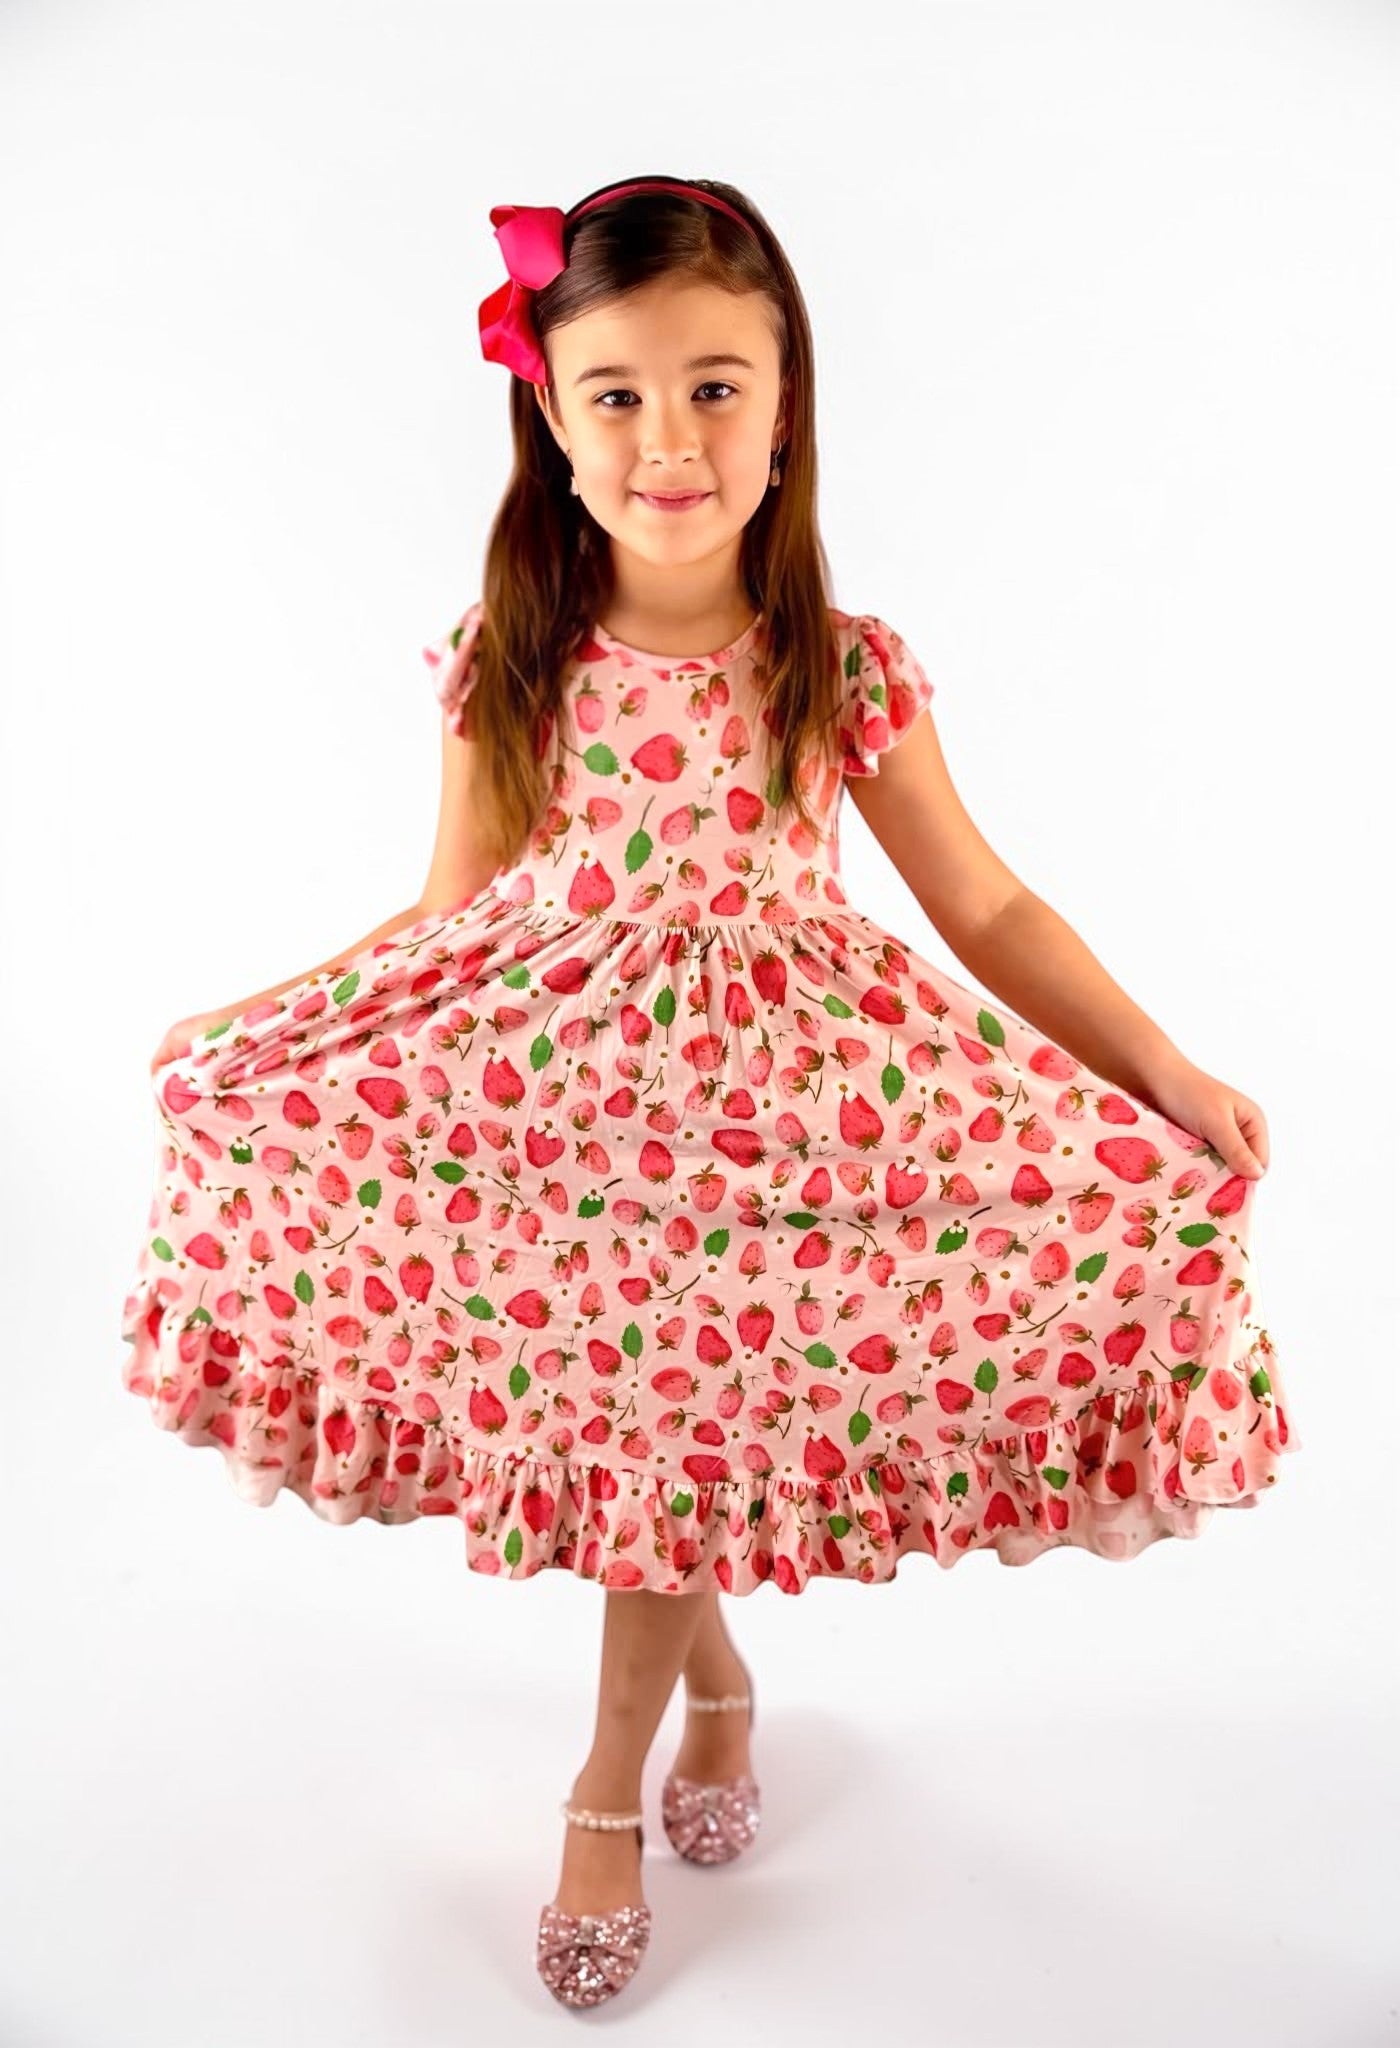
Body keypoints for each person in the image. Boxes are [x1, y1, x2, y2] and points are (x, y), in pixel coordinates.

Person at [124, 174, 1300, 2010]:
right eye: (617, 394)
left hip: (790, 1124)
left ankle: (604, 1790)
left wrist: (1163, 1068)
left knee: (682, 1433)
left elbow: (985, 906)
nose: (669, 439)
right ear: (551, 417)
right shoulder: (513, 655)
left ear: (785, 404)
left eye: (715, 388)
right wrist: (264, 1024)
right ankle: (719, 1684)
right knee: (658, 1439)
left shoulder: (838, 664)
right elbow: (445, 913)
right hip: (566, 1124)